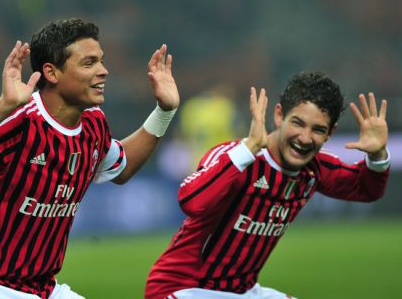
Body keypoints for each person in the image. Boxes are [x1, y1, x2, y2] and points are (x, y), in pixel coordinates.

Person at [0, 18, 179, 299]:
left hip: (40, 287)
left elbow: (123, 167)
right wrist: (3, 105)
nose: (104, 71)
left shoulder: (93, 125)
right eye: (89, 63)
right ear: (52, 72)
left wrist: (164, 112)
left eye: (101, 62)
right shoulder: (19, 122)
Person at [145, 72, 390, 299]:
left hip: (242, 291)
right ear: (279, 115)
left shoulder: (314, 168)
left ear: (330, 133)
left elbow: (366, 188)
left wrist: (378, 155)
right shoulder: (237, 157)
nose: (305, 138)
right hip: (183, 289)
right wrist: (248, 149)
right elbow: (190, 201)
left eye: (317, 129)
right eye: (297, 123)